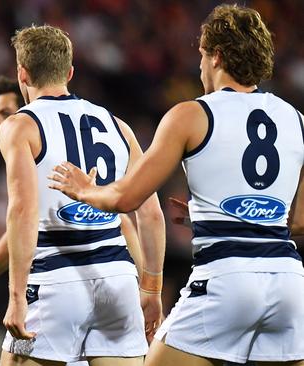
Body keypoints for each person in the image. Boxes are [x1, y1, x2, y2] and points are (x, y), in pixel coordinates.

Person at [49, 4, 304, 366]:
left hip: (226, 278)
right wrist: (218, 217)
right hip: (288, 283)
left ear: (216, 56)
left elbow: (125, 198)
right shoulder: (297, 120)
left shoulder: (191, 115)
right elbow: (298, 222)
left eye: (201, 55)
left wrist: (82, 189)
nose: (199, 65)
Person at [0, 25, 165, 365]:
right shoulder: (117, 126)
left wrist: (16, 296)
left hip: (54, 281)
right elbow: (150, 214)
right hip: (118, 279)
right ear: (70, 72)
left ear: (22, 73)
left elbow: (22, 211)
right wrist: (152, 289)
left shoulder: (20, 125)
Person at [0, 76, 145, 294]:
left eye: (5, 114)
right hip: (109, 280)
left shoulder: (45, 149)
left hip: (61, 282)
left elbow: (23, 220)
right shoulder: (62, 138)